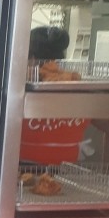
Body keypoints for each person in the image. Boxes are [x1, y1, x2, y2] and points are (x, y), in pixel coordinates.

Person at [19, 26, 90, 166]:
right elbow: (106, 125)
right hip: (67, 171)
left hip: (22, 170)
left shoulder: (20, 89)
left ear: (32, 58)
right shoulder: (77, 86)